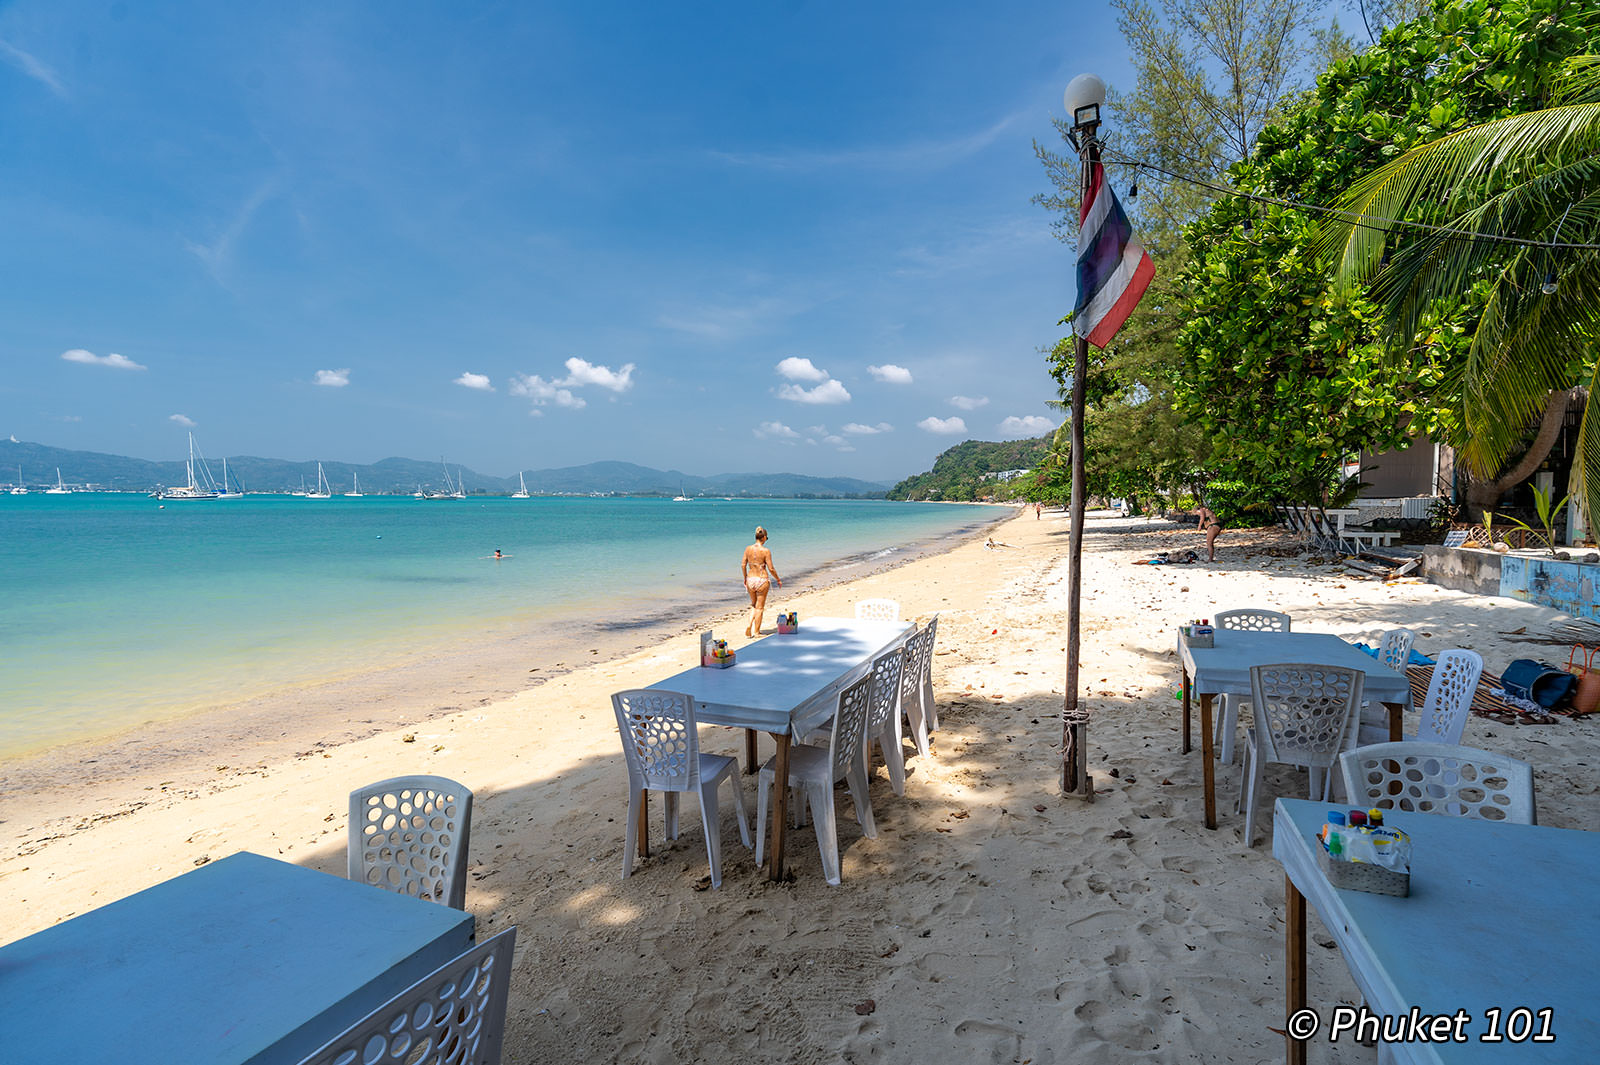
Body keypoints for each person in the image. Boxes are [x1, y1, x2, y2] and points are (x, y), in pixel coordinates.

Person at [741, 526, 781, 637]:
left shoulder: (747, 549)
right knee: (760, 607)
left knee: (753, 605)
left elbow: (743, 565)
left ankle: (749, 624)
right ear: (763, 538)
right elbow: (771, 568)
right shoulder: (765, 551)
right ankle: (756, 631)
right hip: (762, 579)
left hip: (750, 579)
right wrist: (778, 579)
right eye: (766, 538)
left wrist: (745, 577)